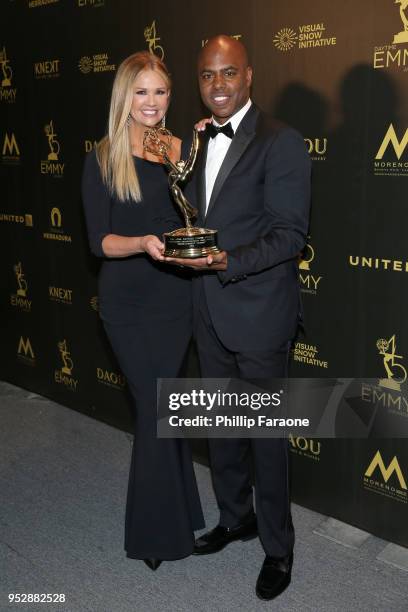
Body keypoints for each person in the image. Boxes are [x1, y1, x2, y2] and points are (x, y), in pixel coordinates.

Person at [164, 35, 311, 600]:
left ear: (249, 76)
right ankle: (235, 517)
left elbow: (290, 233)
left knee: (267, 438)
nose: (217, 85)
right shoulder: (195, 143)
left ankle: (278, 547)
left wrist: (231, 261)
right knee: (223, 427)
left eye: (228, 73)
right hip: (207, 307)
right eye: (206, 76)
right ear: (197, 82)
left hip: (259, 311)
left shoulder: (283, 142)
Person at [81, 51, 204, 571]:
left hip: (176, 299)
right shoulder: (104, 157)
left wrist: (207, 144)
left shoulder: (179, 150)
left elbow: (201, 211)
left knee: (166, 405)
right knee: (155, 410)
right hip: (128, 301)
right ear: (124, 97)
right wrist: (143, 243)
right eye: (142, 92)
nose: (152, 102)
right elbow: (99, 242)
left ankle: (181, 512)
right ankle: (154, 536)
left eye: (161, 92)